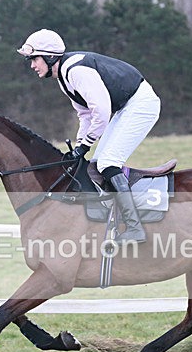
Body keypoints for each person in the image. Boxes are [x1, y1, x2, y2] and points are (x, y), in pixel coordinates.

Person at [17, 29, 161, 244]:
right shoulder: (63, 77)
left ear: (50, 56)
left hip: (141, 105)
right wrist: (79, 146)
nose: (32, 65)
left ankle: (135, 227)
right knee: (97, 164)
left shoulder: (76, 71)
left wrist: (85, 145)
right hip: (126, 107)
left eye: (34, 59)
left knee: (108, 163)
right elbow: (85, 115)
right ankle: (115, 217)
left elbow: (101, 113)